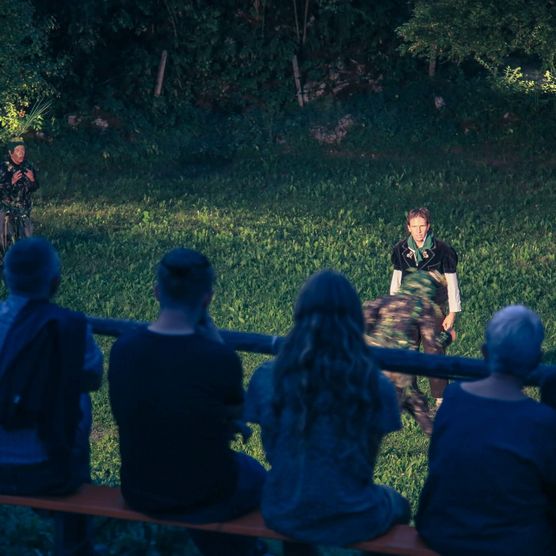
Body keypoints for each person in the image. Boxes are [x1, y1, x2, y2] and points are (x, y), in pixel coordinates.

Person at [108, 248, 267, 556]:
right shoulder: (218, 358)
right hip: (203, 493)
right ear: (207, 298)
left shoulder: (123, 348)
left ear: (156, 292)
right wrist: (216, 341)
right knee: (256, 474)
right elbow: (237, 412)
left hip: (140, 488)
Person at [245, 269, 410, 552]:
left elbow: (272, 447)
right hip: (352, 514)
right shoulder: (375, 385)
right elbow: (365, 463)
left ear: (301, 314)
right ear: (354, 319)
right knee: (400, 505)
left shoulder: (267, 377)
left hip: (283, 509)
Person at [416, 305, 556, 556]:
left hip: (442, 531)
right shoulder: (542, 421)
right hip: (512, 544)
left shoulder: (453, 398)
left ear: (484, 352)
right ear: (536, 361)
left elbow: (437, 461)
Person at [0, 237, 103, 555]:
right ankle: (74, 542)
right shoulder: (70, 326)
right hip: (45, 472)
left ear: (5, 278)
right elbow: (93, 378)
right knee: (81, 401)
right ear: (55, 282)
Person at [364, 270, 453, 435]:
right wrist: (447, 337)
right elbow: (432, 348)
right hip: (396, 369)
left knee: (415, 401)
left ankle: (444, 440)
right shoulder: (422, 306)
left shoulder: (383, 301)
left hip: (370, 363)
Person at [390, 208, 461, 405]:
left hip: (433, 308)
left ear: (428, 226)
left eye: (422, 226)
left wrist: (452, 313)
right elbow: (396, 280)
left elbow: (452, 283)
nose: (419, 231)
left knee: (434, 349)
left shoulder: (442, 251)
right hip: (408, 307)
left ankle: (440, 398)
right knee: (407, 349)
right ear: (409, 228)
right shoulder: (401, 250)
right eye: (415, 227)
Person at [0, 139, 39, 252]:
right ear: (11, 152)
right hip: (6, 207)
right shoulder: (3, 168)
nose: (21, 153)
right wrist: (10, 182)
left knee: (27, 235)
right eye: (18, 150)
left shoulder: (28, 166)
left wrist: (32, 180)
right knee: (5, 237)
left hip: (23, 208)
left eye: (23, 150)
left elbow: (35, 187)